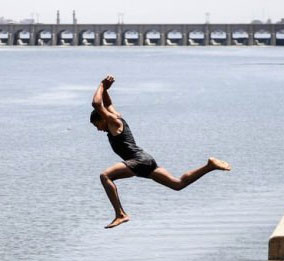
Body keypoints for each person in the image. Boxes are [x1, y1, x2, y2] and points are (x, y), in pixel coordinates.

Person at [90, 75, 231, 229]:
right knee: (178, 184)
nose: (98, 129)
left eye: (97, 125)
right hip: (145, 160)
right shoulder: (116, 119)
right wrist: (106, 90)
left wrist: (102, 85)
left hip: (138, 160)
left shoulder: (113, 122)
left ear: (102, 118)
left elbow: (97, 104)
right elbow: (107, 103)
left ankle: (120, 214)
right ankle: (209, 166)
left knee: (105, 176)